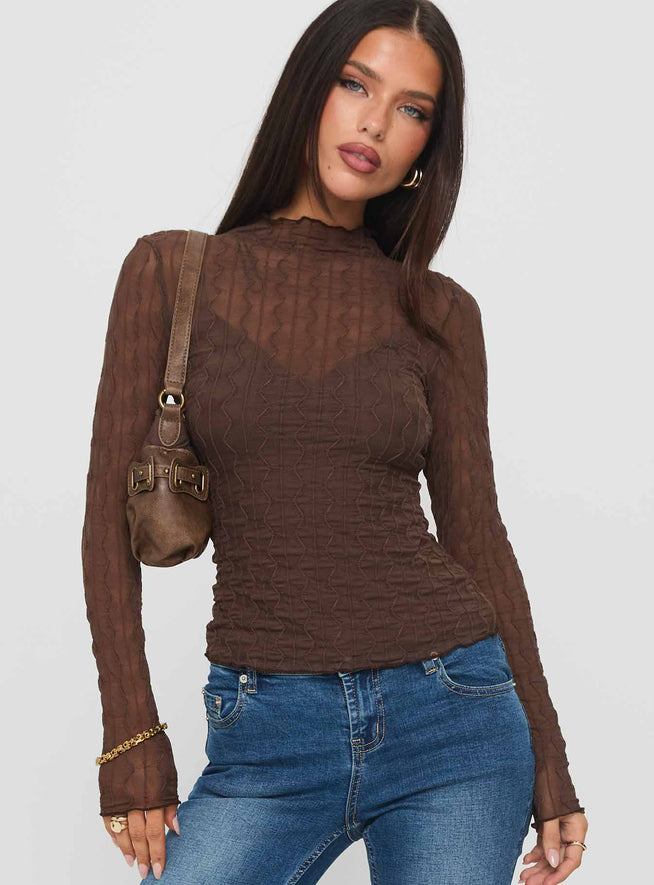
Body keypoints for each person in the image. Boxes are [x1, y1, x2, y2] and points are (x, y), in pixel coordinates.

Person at [81, 1, 588, 882]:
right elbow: (105, 521)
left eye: (412, 109)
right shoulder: (170, 272)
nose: (375, 123)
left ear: (427, 147)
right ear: (309, 89)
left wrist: (551, 766)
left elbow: (479, 540)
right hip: (266, 734)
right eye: (357, 84)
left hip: (455, 722)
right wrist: (131, 731)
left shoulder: (438, 311)